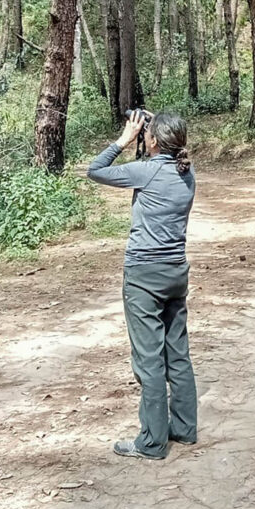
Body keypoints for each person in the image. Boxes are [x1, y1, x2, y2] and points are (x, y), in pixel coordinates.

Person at [87, 110, 198, 460]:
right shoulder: (187, 173)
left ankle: (151, 442)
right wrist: (150, 134)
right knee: (177, 354)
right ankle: (183, 428)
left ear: (151, 141)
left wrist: (124, 138)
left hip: (144, 276)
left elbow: (95, 170)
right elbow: (161, 162)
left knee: (149, 360)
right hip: (175, 273)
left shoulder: (146, 172)